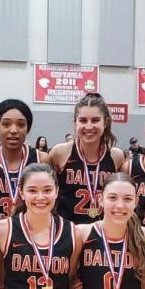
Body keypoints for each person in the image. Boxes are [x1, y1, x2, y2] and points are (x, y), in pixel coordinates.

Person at [49, 93, 125, 223]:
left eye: (95, 120)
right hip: (68, 232)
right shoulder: (60, 153)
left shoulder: (116, 157)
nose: (89, 126)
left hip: (101, 232)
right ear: (75, 122)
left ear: (105, 122)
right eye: (83, 120)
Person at [0, 99, 47, 232]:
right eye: (6, 124)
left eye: (21, 124)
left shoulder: (41, 159)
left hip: (32, 237)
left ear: (28, 128)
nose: (13, 130)